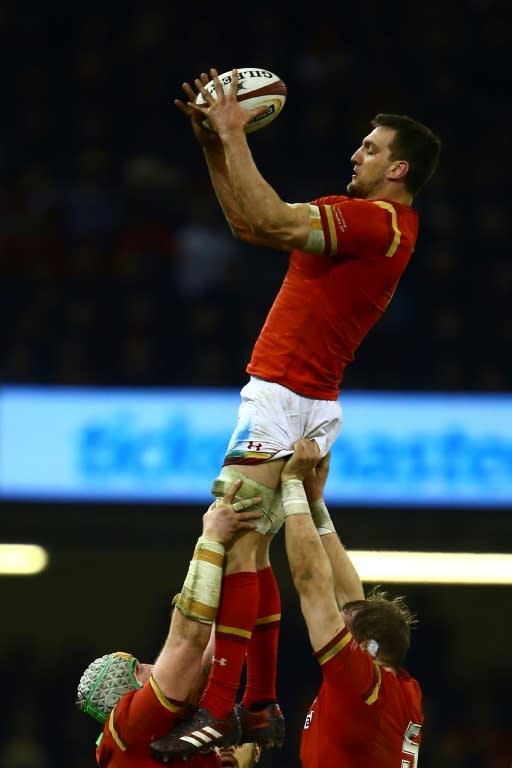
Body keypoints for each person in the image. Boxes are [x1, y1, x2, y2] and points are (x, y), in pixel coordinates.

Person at [151, 68, 440, 759]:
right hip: (298, 396)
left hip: (286, 395)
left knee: (230, 538)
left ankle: (231, 708)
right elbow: (251, 222)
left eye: (370, 148)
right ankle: (253, 707)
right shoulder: (368, 219)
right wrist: (217, 147)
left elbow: (275, 217)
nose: (355, 155)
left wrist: (230, 131)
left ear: (399, 167)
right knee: (244, 544)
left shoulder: (380, 222)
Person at [76, 479, 263, 767]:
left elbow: (207, 659)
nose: (152, 666)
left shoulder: (168, 733)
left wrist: (231, 555)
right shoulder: (130, 722)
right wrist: (210, 540)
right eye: (139, 668)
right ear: (124, 693)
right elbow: (188, 642)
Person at [281, 438, 423, 767]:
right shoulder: (397, 687)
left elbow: (311, 583)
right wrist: (314, 501)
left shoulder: (363, 685)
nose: (336, 625)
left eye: (345, 630)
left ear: (366, 648)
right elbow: (349, 598)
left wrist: (291, 487)